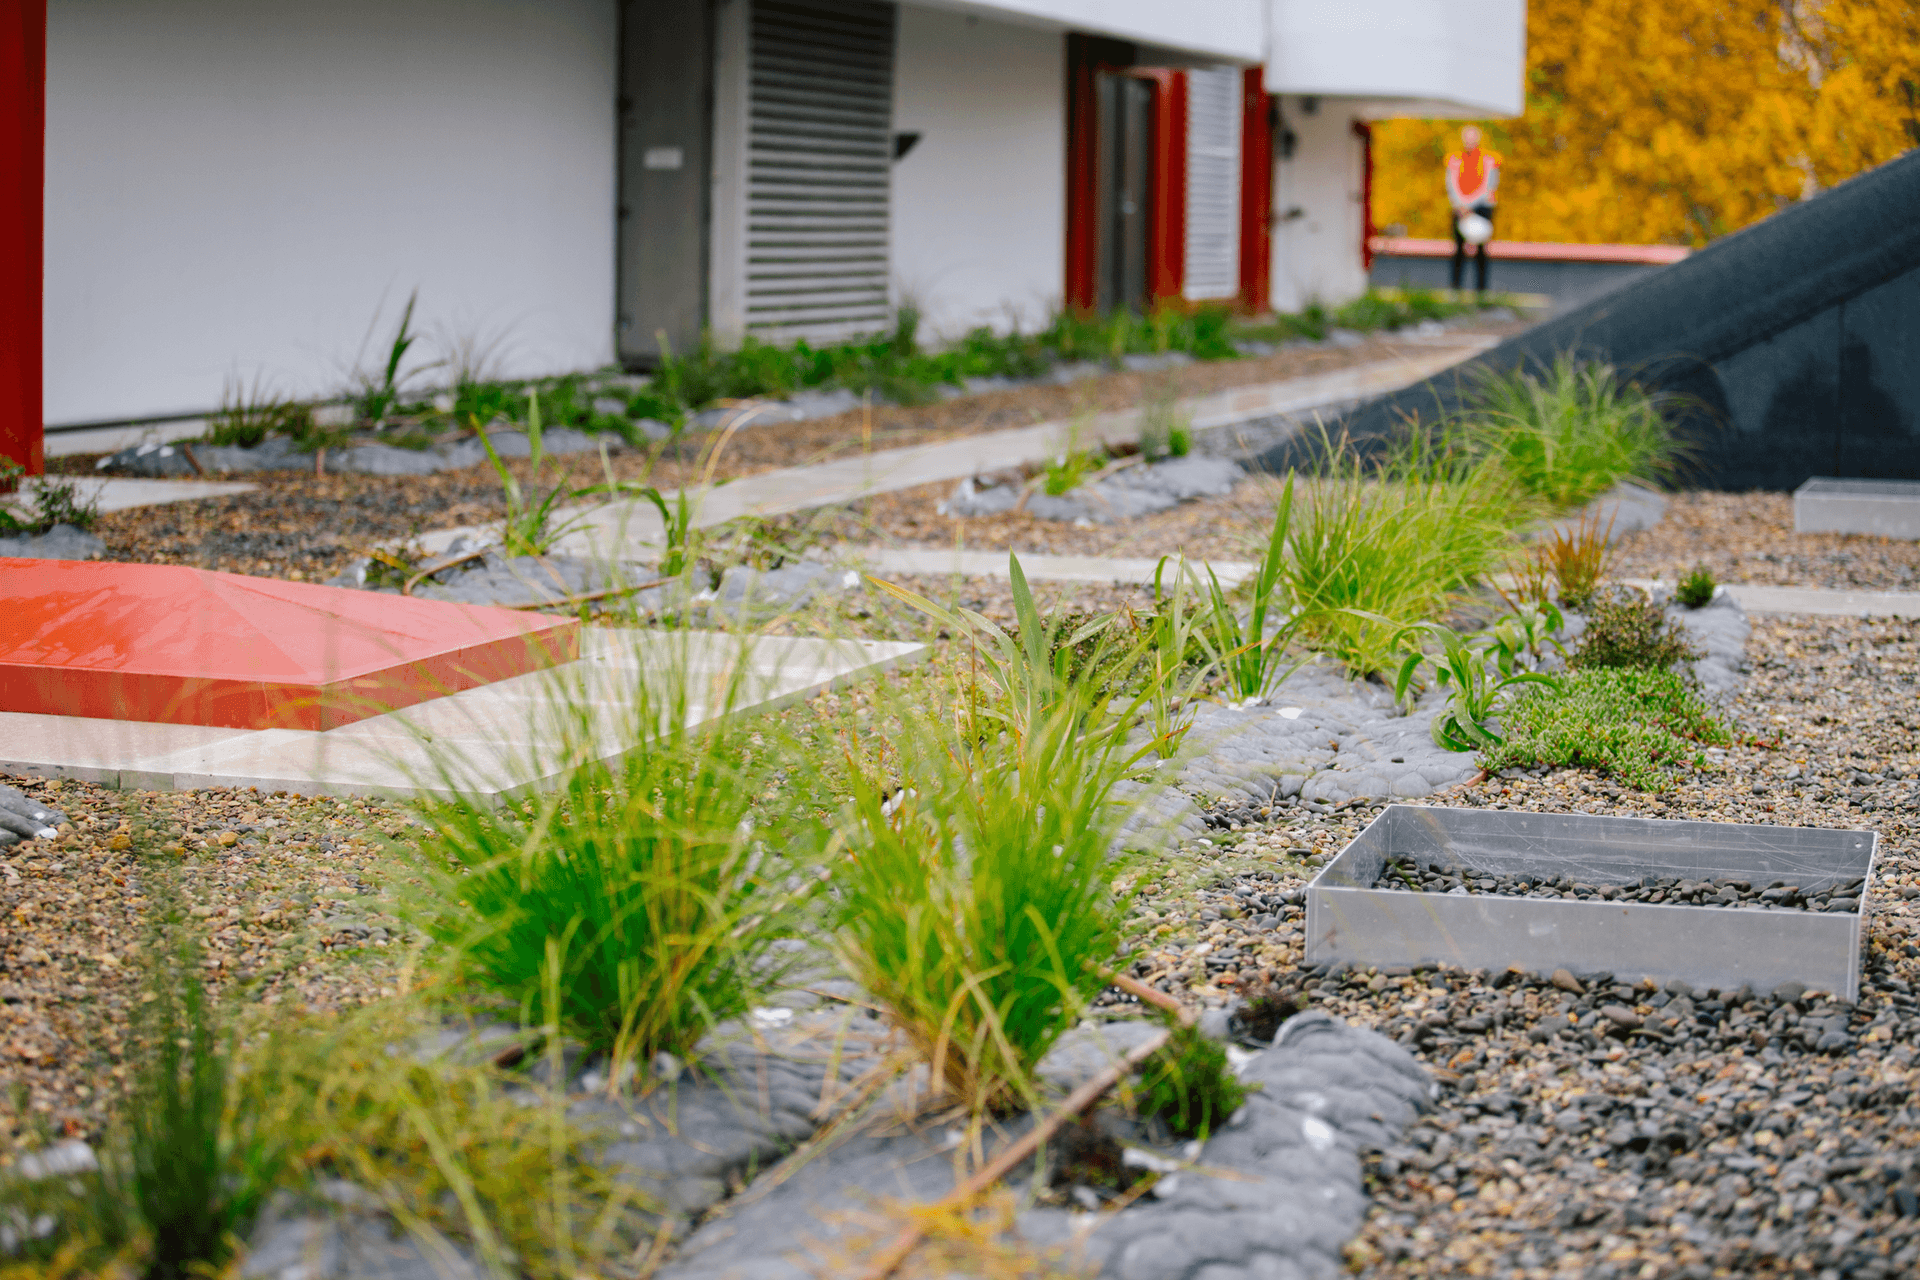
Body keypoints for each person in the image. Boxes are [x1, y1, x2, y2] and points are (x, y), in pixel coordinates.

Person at [1445, 125, 1502, 293]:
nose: (1470, 141)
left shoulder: (1489, 160)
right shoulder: (1454, 160)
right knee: (1458, 249)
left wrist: (1470, 206)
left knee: (1481, 249)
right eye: (1467, 137)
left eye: (1473, 137)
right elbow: (1450, 184)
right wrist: (1460, 205)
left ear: (1478, 139)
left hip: (1481, 208)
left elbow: (1489, 185)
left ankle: (1482, 289)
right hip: (1459, 209)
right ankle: (1455, 287)